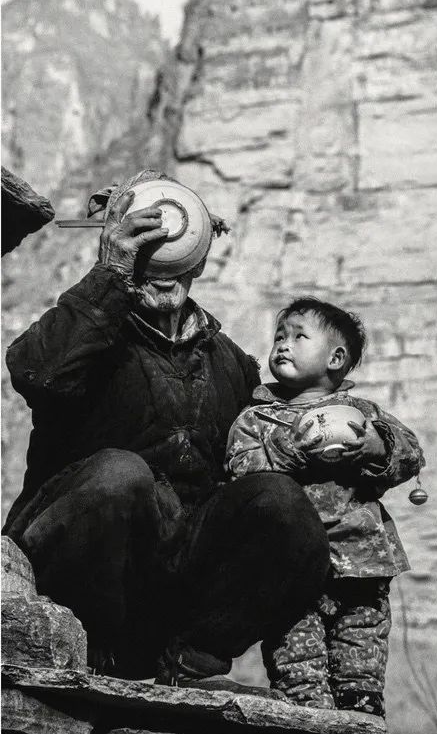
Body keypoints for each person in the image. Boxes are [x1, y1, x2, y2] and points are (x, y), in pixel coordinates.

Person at [3, 170, 331, 684]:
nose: (159, 266)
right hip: (74, 574)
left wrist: (380, 446)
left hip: (168, 591)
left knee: (281, 501)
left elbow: (301, 425)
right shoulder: (89, 325)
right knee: (121, 474)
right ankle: (94, 652)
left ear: (197, 257)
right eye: (142, 249)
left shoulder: (231, 364)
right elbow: (36, 372)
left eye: (176, 249)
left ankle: (190, 661)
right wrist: (111, 275)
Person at [225, 297, 425, 717]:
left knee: (361, 669)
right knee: (299, 673)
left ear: (335, 358)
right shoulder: (257, 418)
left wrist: (377, 446)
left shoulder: (362, 413)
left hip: (362, 565)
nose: (283, 344)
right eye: (279, 336)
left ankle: (361, 716)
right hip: (290, 569)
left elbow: (410, 455)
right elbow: (241, 472)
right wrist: (292, 448)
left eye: (299, 336)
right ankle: (308, 717)